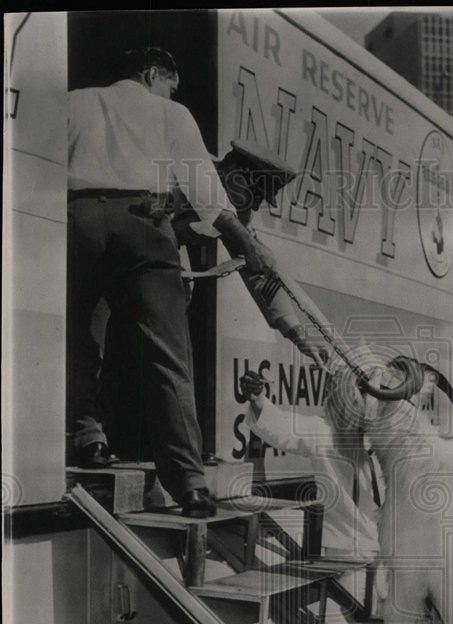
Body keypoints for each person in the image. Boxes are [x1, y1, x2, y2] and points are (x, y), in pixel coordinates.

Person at [67, 47, 311, 517]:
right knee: (167, 358)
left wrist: (294, 329)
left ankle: (91, 439)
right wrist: (245, 245)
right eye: (170, 85)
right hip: (140, 224)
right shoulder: (172, 120)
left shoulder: (74, 102)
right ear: (153, 73)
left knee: (83, 339)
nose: (255, 199)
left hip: (78, 219)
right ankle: (188, 484)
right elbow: (210, 202)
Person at [240, 370, 381, 561]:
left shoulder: (388, 439)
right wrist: (258, 402)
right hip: (347, 548)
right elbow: (282, 426)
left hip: (391, 546)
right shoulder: (324, 432)